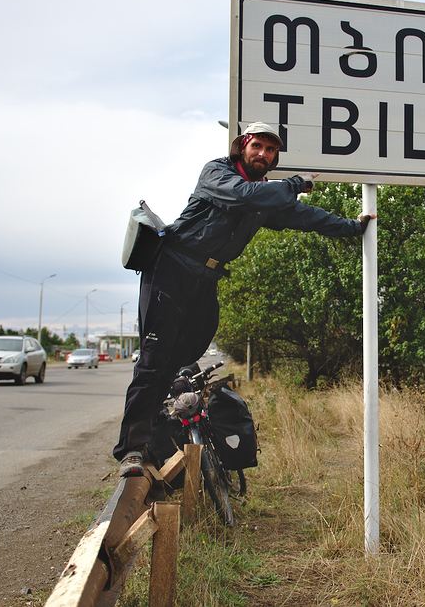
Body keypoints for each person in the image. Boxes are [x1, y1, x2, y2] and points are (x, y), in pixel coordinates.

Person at [114, 122, 374, 477]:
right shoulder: (218, 173)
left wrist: (351, 226)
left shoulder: (268, 197)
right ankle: (130, 448)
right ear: (243, 147)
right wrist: (294, 185)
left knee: (187, 352)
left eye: (270, 151)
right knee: (154, 357)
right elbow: (245, 196)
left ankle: (156, 418)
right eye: (258, 147)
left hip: (205, 279)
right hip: (172, 269)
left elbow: (306, 216)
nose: (263, 155)